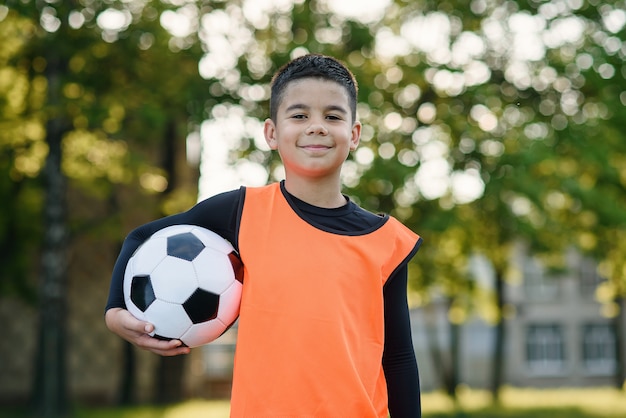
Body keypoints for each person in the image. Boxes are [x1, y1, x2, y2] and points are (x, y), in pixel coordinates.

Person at [105, 53, 423, 417]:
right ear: (272, 133)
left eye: (332, 116)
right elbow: (139, 237)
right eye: (300, 115)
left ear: (354, 135)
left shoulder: (386, 241)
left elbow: (398, 357)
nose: (316, 126)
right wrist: (115, 312)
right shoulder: (242, 212)